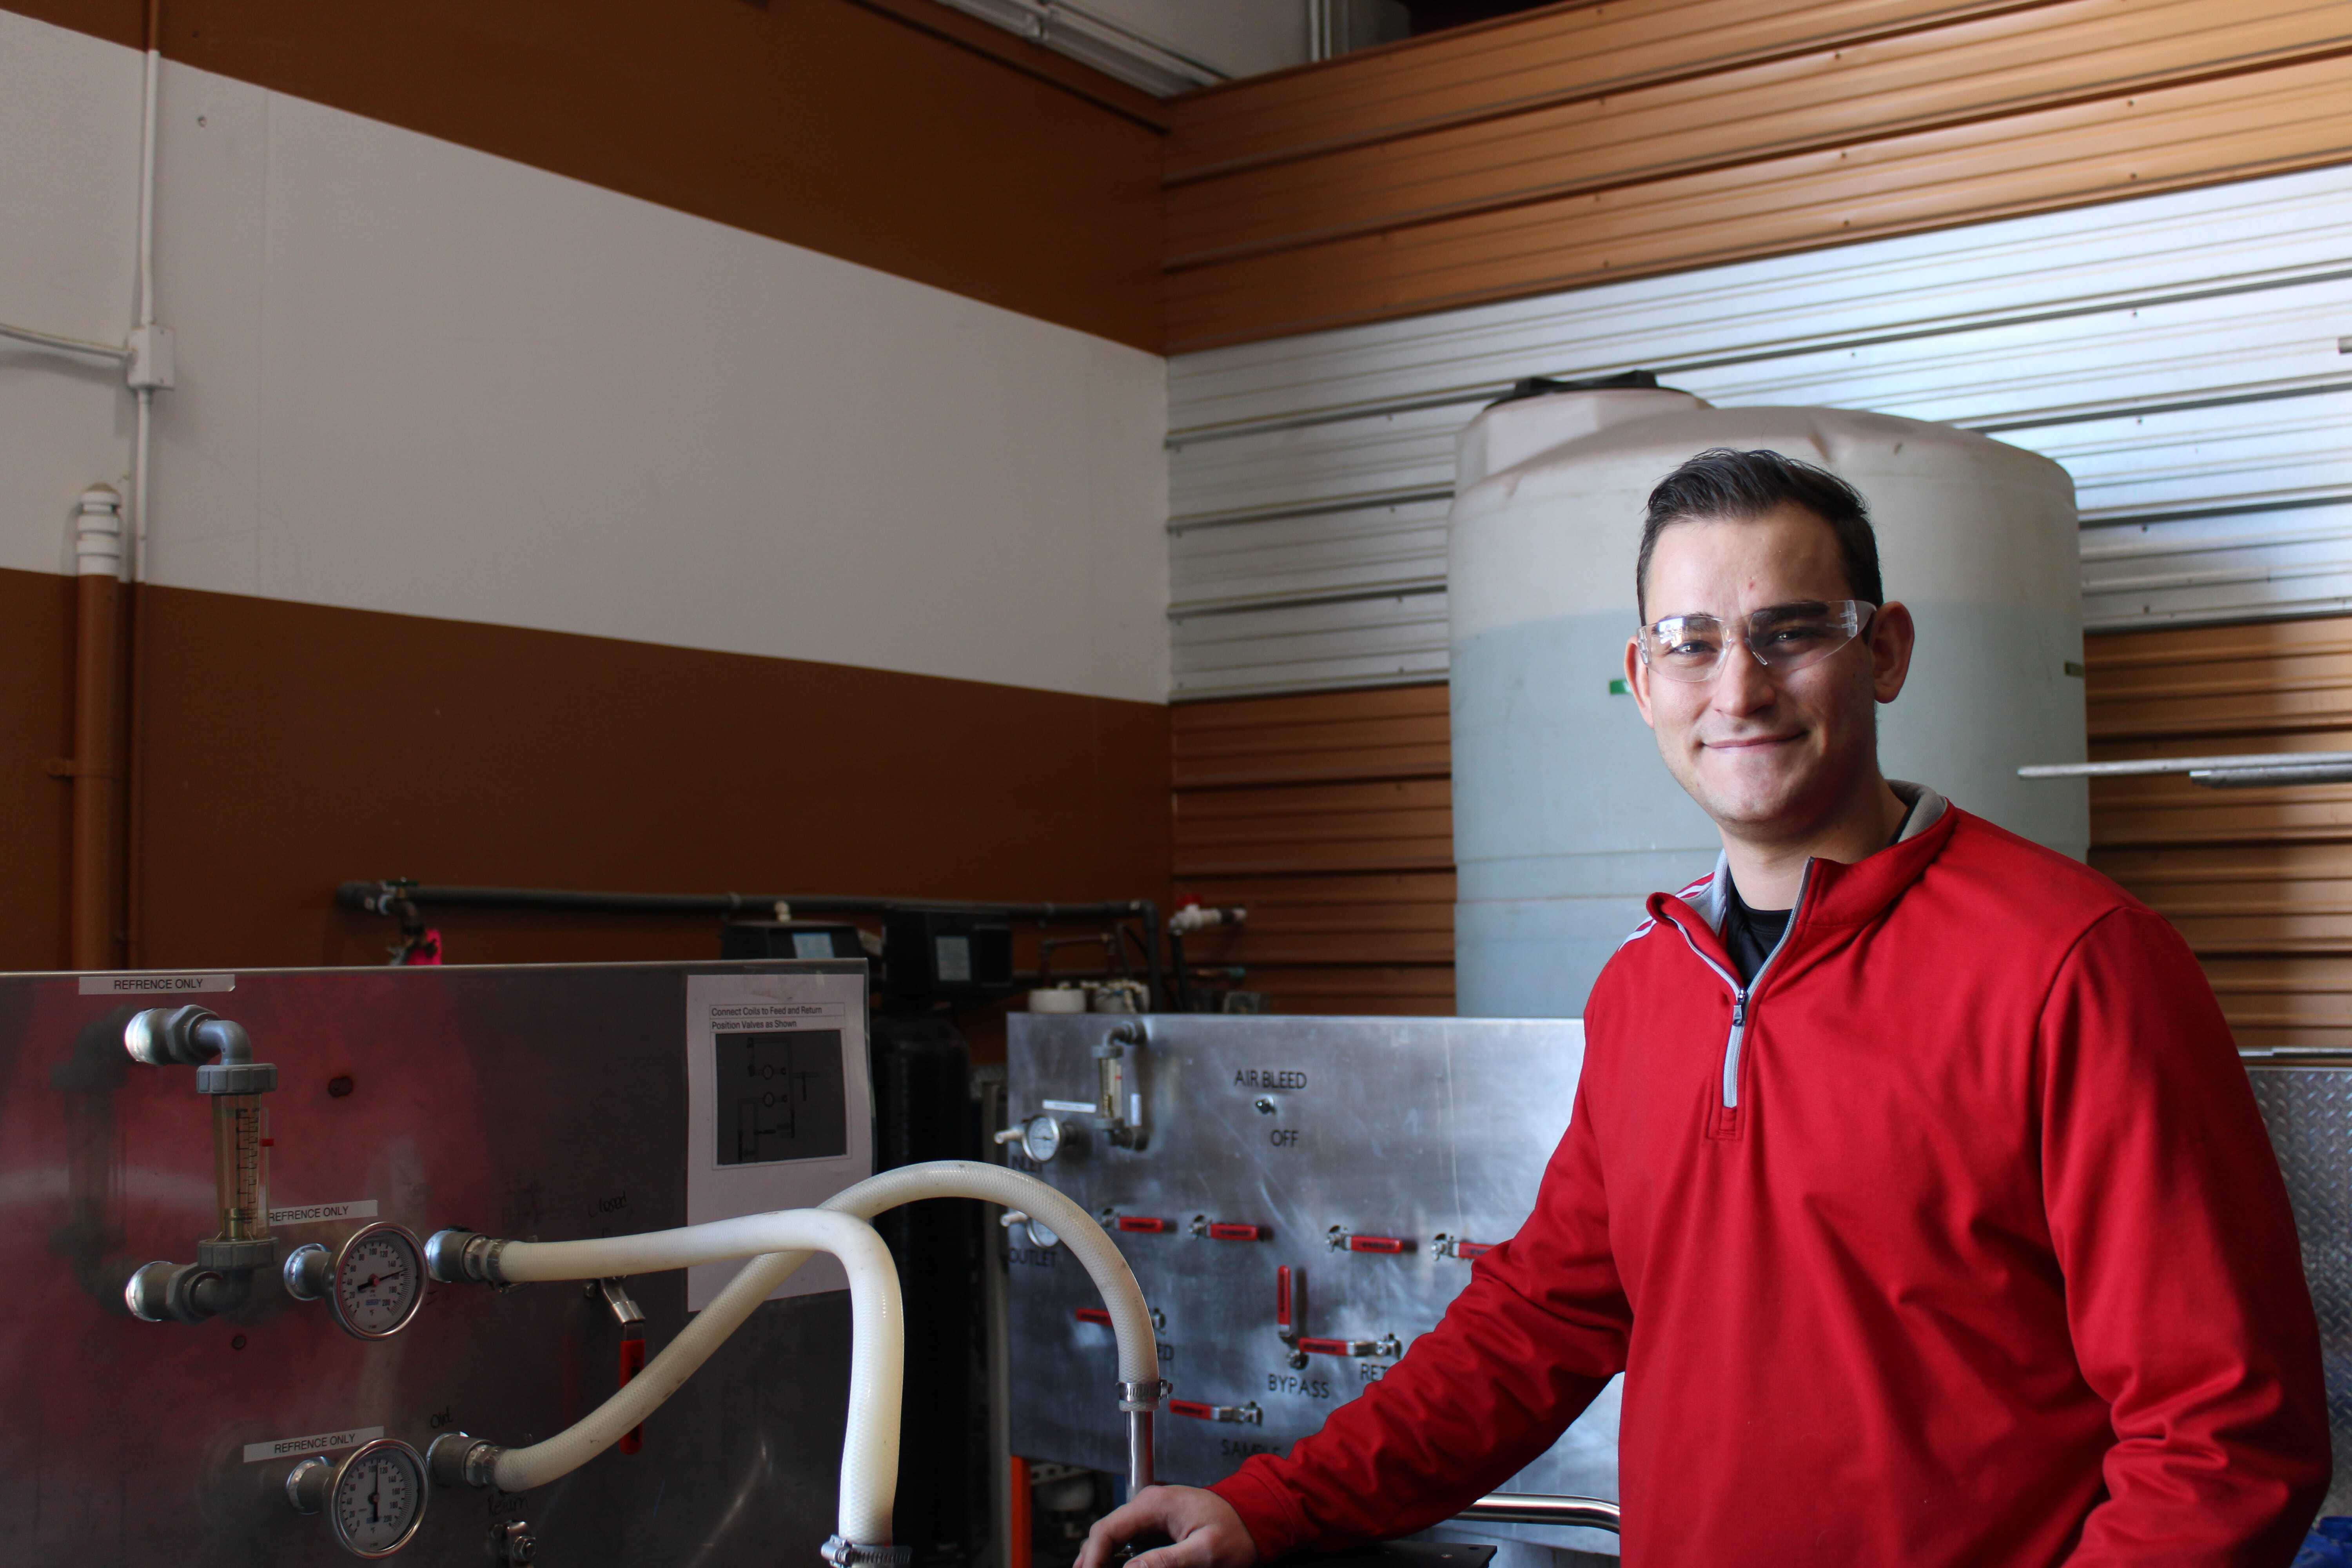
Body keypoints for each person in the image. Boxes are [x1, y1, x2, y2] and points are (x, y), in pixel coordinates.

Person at [1078, 448, 2330, 1568]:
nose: (1739, 688)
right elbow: (1539, 1323)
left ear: (1885, 649)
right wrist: (1276, 1505)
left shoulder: (2077, 965)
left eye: (1792, 631)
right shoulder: (1649, 986)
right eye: (1691, 641)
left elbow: (2224, 1438)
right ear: (1642, 675)